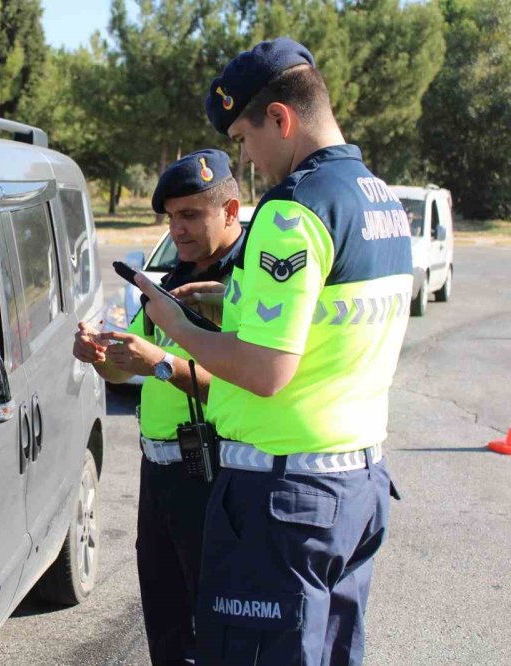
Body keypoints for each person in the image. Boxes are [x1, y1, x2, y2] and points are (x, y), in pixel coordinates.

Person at [133, 37, 411, 665]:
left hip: (284, 500)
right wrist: (234, 296)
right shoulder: (380, 200)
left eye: (244, 137)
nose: (247, 157)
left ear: (281, 119)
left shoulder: (292, 209)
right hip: (356, 484)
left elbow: (265, 371)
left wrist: (173, 322)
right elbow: (330, 327)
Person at [74, 149, 244, 665]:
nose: (178, 230)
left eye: (191, 215)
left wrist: (162, 361)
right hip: (163, 472)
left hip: (217, 475)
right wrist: (101, 357)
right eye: (171, 218)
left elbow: (245, 385)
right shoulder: (168, 283)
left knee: (220, 625)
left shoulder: (251, 285)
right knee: (166, 623)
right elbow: (132, 370)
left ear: (231, 212)